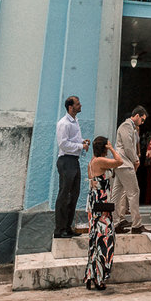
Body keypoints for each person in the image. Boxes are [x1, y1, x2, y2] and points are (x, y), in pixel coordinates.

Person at [85, 136, 124, 290]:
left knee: (95, 241)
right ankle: (99, 278)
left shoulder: (92, 162)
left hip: (97, 204)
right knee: (104, 241)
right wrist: (112, 149)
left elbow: (92, 180)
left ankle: (91, 275)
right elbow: (119, 161)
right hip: (101, 206)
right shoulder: (99, 161)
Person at [54, 95, 89, 238]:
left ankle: (67, 227)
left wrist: (82, 141)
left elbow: (72, 140)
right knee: (64, 195)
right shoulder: (64, 123)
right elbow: (63, 144)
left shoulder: (75, 121)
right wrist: (81, 145)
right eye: (77, 104)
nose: (80, 105)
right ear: (71, 107)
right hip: (66, 161)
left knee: (73, 194)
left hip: (74, 160)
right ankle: (59, 229)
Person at [112, 105, 147, 233]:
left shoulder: (130, 127)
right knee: (134, 192)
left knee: (116, 194)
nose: (142, 123)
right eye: (142, 120)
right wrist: (135, 160)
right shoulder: (126, 126)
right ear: (137, 115)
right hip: (125, 163)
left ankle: (115, 223)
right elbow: (128, 147)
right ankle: (136, 225)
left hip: (121, 164)